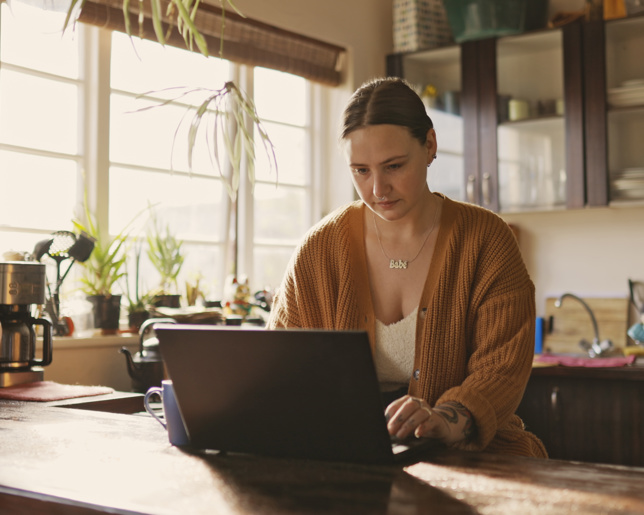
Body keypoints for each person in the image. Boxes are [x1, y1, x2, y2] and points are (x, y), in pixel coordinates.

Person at [267, 77, 547, 458]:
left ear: (430, 145)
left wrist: (446, 419)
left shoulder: (486, 240)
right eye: (361, 171)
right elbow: (281, 365)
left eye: (394, 166)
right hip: (348, 461)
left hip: (475, 459)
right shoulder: (318, 249)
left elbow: (500, 371)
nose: (378, 189)